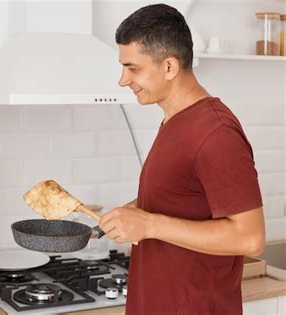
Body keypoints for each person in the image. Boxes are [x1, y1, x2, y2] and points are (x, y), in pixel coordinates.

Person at [99, 4, 265, 315]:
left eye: (132, 68)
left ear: (170, 67)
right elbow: (185, 198)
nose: (123, 80)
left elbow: (250, 237)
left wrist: (148, 223)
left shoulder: (216, 132)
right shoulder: (175, 120)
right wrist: (134, 213)